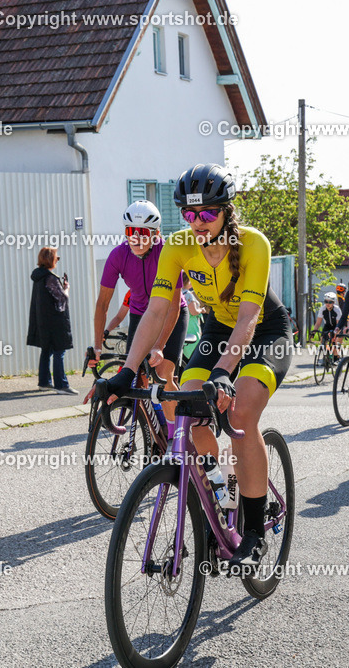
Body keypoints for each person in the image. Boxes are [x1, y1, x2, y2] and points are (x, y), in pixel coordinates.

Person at [102, 163, 293, 570]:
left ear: (226, 211)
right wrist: (127, 368)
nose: (199, 222)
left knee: (239, 411)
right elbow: (157, 309)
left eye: (207, 213)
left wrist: (225, 373)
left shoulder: (254, 245)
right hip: (216, 329)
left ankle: (255, 532)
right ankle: (220, 484)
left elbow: (248, 319)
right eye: (190, 215)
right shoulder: (177, 246)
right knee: (187, 407)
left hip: (264, 332)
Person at [91, 201, 188, 427]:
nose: (136, 238)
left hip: (170, 315)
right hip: (139, 315)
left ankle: (176, 436)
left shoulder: (167, 252)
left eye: (143, 233)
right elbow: (102, 305)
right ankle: (149, 430)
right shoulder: (118, 255)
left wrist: (159, 345)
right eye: (130, 232)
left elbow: (172, 307)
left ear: (155, 234)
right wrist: (97, 346)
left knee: (163, 374)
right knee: (135, 378)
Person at [28, 247, 76, 395]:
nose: (57, 259)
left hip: (43, 321)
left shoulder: (38, 277)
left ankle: (44, 382)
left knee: (46, 350)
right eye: (56, 257)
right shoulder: (50, 278)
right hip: (55, 322)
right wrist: (66, 288)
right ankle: (61, 385)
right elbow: (61, 298)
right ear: (50, 259)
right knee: (59, 351)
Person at [314, 291, 342, 359]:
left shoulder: (337, 310)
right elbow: (318, 323)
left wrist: (335, 333)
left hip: (336, 326)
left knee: (334, 341)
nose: (327, 304)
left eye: (330, 302)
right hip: (327, 325)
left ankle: (336, 357)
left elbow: (339, 324)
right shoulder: (322, 309)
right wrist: (314, 332)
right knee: (322, 340)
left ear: (334, 302)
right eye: (326, 301)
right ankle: (326, 355)